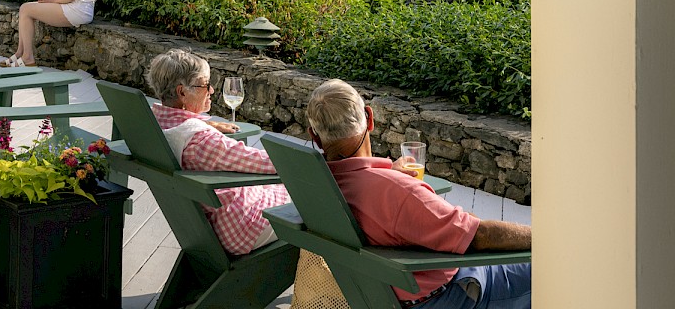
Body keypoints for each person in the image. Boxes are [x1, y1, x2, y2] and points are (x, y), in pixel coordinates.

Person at [306, 79, 532, 308]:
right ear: (370, 118)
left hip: (383, 296)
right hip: (448, 296)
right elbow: (479, 236)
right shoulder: (396, 192)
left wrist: (387, 174)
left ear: (314, 136)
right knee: (552, 264)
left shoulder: (316, 182)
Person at [146, 49, 291, 255]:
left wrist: (206, 123)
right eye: (204, 84)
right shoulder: (201, 141)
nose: (212, 90)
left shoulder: (154, 123)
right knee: (312, 200)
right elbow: (263, 163)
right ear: (182, 92)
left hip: (210, 223)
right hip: (241, 226)